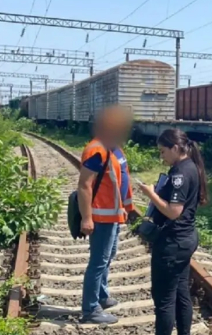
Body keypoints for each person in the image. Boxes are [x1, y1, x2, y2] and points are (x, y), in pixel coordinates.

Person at [137, 128, 207, 335]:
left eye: (163, 152)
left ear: (175, 148)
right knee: (181, 292)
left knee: (164, 300)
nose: (161, 157)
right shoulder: (191, 167)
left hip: (172, 243)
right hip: (185, 239)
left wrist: (150, 194)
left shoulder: (180, 173)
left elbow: (173, 211)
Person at [78, 105, 134, 324]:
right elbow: (84, 184)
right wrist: (86, 217)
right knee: (98, 262)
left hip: (113, 216)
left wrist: (127, 209)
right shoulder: (96, 149)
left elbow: (121, 182)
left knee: (107, 257)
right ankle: (90, 309)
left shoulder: (113, 148)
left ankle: (101, 296)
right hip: (101, 217)